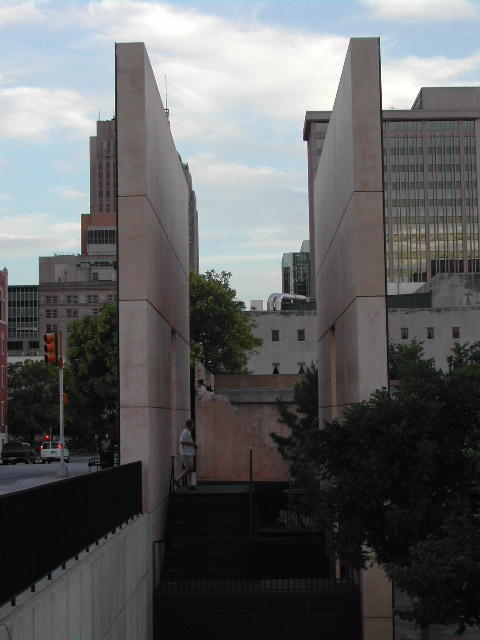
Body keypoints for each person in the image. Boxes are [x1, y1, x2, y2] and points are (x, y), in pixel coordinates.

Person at [175, 419, 197, 490]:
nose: (194, 426)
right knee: (189, 468)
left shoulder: (188, 432)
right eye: (193, 424)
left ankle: (190, 485)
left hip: (188, 453)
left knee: (189, 469)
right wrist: (192, 444)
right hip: (185, 453)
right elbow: (182, 441)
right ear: (191, 425)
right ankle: (177, 479)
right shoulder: (185, 432)